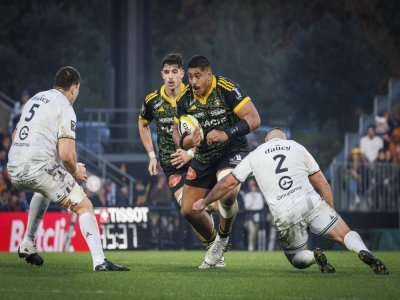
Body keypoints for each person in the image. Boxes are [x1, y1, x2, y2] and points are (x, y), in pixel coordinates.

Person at [193, 128, 389, 275]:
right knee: (345, 234)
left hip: (285, 213)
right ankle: (363, 250)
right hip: (310, 202)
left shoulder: (256, 153)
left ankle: (314, 256)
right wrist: (331, 212)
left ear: (266, 140)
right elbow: (322, 182)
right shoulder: (297, 147)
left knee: (296, 258)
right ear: (284, 138)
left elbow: (228, 182)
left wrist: (205, 201)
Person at [7, 66, 129, 271]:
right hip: (37, 168)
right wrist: (75, 171)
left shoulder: (36, 99)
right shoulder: (65, 107)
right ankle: (100, 261)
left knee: (44, 190)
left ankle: (28, 242)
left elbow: (15, 136)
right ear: (74, 88)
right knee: (85, 206)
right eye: (77, 90)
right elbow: (66, 155)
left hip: (13, 166)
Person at [172, 55, 260, 268]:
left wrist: (226, 133)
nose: (193, 82)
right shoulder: (185, 98)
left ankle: (223, 237)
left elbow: (254, 118)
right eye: (191, 77)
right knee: (188, 211)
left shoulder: (227, 89)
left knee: (228, 192)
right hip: (203, 156)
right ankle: (214, 247)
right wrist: (186, 141)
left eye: (198, 76)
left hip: (232, 149)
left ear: (209, 74)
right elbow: (175, 131)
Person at [138, 53, 219, 252]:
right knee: (190, 211)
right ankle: (213, 247)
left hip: (198, 158)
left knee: (213, 207)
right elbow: (142, 124)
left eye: (175, 71)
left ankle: (217, 232)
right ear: (162, 75)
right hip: (172, 163)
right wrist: (151, 156)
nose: (171, 76)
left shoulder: (194, 96)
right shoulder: (153, 101)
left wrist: (190, 152)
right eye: (167, 72)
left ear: (182, 73)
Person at [242, 178, 264, 251]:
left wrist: (254, 203)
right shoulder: (247, 195)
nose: (252, 186)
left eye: (253, 184)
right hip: (249, 216)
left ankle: (253, 247)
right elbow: (247, 206)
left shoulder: (259, 195)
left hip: (257, 215)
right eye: (251, 185)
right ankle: (250, 246)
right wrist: (253, 200)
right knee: (252, 231)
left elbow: (261, 206)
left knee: (256, 232)